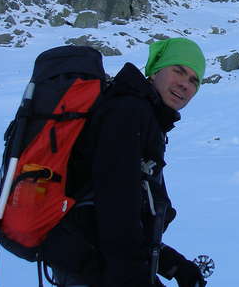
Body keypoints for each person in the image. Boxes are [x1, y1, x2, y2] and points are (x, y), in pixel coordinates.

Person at [42, 37, 208, 287]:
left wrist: (174, 264)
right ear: (155, 69)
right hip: (90, 262)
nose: (185, 85)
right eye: (179, 70)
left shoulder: (142, 113)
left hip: (96, 259)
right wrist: (134, 276)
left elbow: (129, 207)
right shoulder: (128, 110)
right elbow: (116, 202)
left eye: (194, 80)